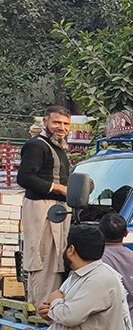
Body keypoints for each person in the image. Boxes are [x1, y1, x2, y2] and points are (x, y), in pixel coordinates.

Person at [17, 105, 73, 308]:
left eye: (66, 123)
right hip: (42, 209)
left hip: (56, 209)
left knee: (56, 260)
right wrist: (59, 188)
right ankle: (43, 310)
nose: (62, 127)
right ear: (45, 122)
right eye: (57, 122)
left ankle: (48, 308)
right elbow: (25, 177)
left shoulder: (57, 147)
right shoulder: (37, 146)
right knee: (44, 260)